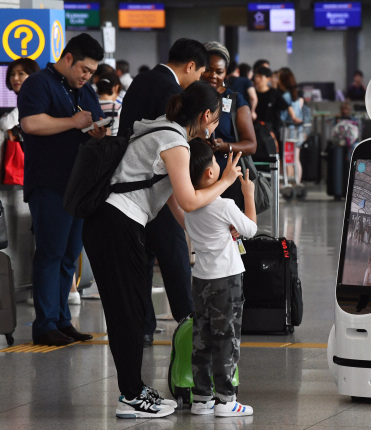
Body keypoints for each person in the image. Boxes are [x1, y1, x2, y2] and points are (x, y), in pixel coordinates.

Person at [82, 81, 244, 418]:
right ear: (206, 115)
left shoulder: (162, 130)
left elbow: (175, 201)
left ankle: (135, 389)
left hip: (113, 223)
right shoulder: (174, 142)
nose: (214, 129)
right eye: (214, 122)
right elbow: (187, 198)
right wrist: (226, 182)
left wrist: (208, 232)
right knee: (127, 311)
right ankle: (130, 396)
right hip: (117, 223)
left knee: (133, 308)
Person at [118, 38, 208, 347]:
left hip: (128, 187)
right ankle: (188, 322)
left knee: (143, 261)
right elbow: (171, 147)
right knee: (174, 255)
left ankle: (144, 326)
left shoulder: (142, 79)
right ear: (191, 66)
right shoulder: (170, 92)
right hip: (152, 189)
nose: (196, 82)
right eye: (199, 75)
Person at [18, 33, 107, 346]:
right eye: (84, 68)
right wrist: (72, 122)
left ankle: (62, 320)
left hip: (80, 185)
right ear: (68, 58)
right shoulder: (38, 83)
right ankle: (44, 324)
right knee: (50, 253)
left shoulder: (84, 90)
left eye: (92, 72)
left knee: (70, 256)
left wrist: (98, 130)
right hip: (50, 183)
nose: (87, 76)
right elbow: (30, 124)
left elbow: (91, 120)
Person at [185, 139, 256, 417]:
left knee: (202, 338)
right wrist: (247, 192)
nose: (218, 164)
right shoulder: (224, 205)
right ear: (210, 174)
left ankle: (201, 398)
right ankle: (226, 400)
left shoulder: (189, 205)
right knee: (226, 338)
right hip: (226, 280)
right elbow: (249, 229)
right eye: (215, 162)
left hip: (200, 279)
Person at [201, 41, 257, 210]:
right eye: (208, 70)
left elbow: (251, 145)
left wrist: (225, 146)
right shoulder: (188, 97)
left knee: (231, 233)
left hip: (229, 177)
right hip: (196, 176)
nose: (213, 76)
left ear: (226, 73)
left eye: (219, 71)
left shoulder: (234, 100)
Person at [254, 66, 302, 146]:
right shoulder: (253, 94)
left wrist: (294, 117)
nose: (258, 79)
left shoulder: (273, 93)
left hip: (270, 128)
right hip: (255, 128)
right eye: (256, 76)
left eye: (261, 77)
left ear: (268, 79)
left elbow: (287, 106)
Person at [278, 67, 305, 183]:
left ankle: (287, 183)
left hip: (287, 131)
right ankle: (297, 182)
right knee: (296, 159)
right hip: (297, 131)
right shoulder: (297, 96)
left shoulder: (285, 97)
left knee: (286, 159)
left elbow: (285, 116)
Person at [0, 58, 40, 132]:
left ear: (33, 76)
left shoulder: (34, 99)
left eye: (21, 73)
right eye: (12, 74)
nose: (15, 78)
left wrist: (4, 117)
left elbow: (5, 124)